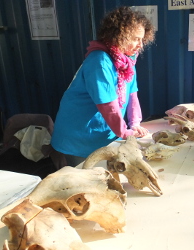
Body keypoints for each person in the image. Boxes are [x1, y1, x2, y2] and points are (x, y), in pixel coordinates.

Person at [51, 6, 155, 167]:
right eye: (135, 39)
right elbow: (108, 105)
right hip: (79, 138)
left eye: (142, 39)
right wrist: (125, 132)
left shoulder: (128, 61)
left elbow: (132, 94)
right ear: (119, 36)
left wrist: (135, 123)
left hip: (105, 135)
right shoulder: (99, 61)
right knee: (85, 183)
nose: (140, 45)